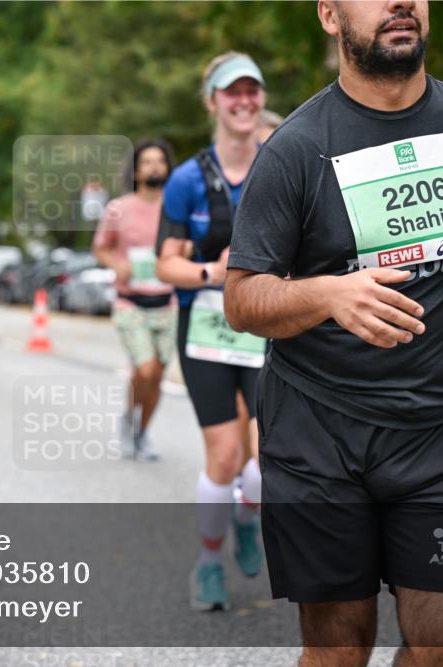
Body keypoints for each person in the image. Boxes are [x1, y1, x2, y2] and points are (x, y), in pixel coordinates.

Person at [224, 1, 443, 664]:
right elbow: (243, 299)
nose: (400, 1)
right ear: (330, 17)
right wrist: (327, 293)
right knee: (339, 648)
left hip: (439, 434)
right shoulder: (296, 150)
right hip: (317, 436)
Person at [155, 52, 267, 610]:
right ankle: (207, 563)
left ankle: (248, 517)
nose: (244, 101)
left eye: (252, 90)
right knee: (225, 456)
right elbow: (164, 264)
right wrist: (211, 272)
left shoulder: (280, 163)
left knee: (271, 459)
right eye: (232, 92)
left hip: (267, 327)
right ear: (213, 102)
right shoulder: (186, 179)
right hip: (204, 329)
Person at [93, 139, 176, 462]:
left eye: (160, 161)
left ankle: (142, 432)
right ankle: (128, 418)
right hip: (131, 302)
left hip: (166, 302)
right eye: (147, 162)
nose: (154, 167)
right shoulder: (119, 208)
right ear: (136, 170)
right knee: (144, 369)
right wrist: (117, 265)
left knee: (158, 375)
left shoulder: (176, 205)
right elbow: (100, 247)